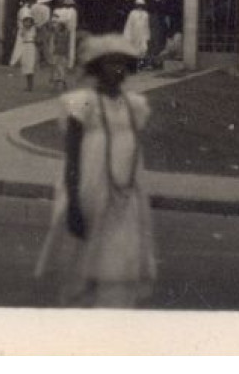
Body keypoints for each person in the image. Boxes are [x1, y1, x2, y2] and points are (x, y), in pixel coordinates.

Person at [34, 34, 156, 308]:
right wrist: (74, 202)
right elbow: (73, 156)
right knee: (83, 257)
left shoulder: (133, 105)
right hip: (91, 189)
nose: (118, 70)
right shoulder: (83, 102)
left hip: (125, 193)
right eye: (111, 63)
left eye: (123, 64)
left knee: (119, 256)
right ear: (97, 67)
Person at [41, 13, 71, 91]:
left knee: (59, 69)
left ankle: (61, 84)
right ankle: (58, 85)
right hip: (58, 52)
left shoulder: (63, 34)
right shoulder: (62, 34)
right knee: (57, 68)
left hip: (60, 53)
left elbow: (64, 44)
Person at [12, 13, 40, 90]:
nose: (27, 23)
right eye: (26, 21)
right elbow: (21, 36)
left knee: (30, 66)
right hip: (25, 47)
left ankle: (30, 85)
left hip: (30, 46)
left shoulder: (33, 29)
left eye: (29, 21)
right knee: (25, 65)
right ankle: (28, 85)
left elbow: (35, 37)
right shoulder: (22, 29)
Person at [123, 0, 152, 70]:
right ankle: (134, 66)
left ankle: (140, 65)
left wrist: (147, 36)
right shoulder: (132, 13)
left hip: (143, 34)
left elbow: (147, 25)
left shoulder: (145, 14)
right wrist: (127, 36)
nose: (140, 6)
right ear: (136, 5)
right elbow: (129, 25)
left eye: (141, 5)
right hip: (134, 34)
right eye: (138, 5)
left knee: (143, 49)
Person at [52, 0, 79, 70]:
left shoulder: (70, 10)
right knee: (70, 47)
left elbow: (65, 20)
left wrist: (59, 23)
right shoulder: (72, 10)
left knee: (65, 46)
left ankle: (66, 63)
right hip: (70, 30)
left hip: (67, 30)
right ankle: (69, 64)